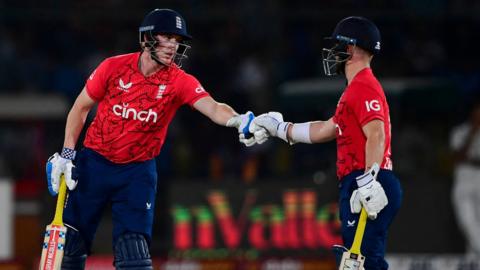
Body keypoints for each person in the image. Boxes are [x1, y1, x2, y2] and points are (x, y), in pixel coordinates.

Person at [44, 8, 262, 269]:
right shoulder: (112, 67)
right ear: (146, 38)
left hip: (137, 172)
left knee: (134, 253)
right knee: (71, 246)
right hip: (94, 162)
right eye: (167, 37)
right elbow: (80, 109)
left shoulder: (179, 81)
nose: (173, 46)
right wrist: (68, 155)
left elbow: (213, 107)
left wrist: (239, 119)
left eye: (177, 40)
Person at [250, 16, 402, 269]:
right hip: (366, 180)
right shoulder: (355, 88)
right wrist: (280, 129)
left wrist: (369, 181)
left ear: (350, 48)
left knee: (360, 263)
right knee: (360, 262)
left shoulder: (363, 85)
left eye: (336, 46)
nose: (332, 53)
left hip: (367, 180)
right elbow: (326, 129)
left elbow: (377, 132)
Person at [450, 101, 480, 258]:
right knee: (467, 222)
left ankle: (473, 261)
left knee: (478, 225)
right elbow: (459, 156)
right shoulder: (460, 132)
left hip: (479, 180)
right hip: (463, 182)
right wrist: (473, 131)